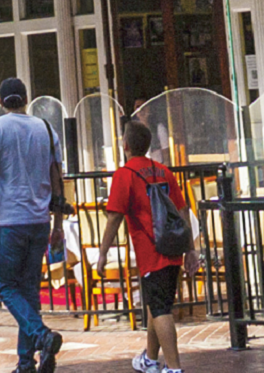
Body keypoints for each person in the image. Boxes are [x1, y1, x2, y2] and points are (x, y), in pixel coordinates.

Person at [0, 77, 66, 373]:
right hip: (40, 221)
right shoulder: (46, 129)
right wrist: (58, 224)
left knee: (7, 287)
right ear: (26, 99)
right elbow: (57, 180)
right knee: (28, 290)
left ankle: (41, 336)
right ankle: (26, 362)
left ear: (1, 102)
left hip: (11, 221)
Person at [95, 120, 191, 373]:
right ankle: (150, 358)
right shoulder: (163, 171)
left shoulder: (124, 175)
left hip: (151, 251)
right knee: (155, 304)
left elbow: (114, 217)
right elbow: (182, 209)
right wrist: (190, 248)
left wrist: (103, 253)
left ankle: (174, 368)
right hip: (173, 248)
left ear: (125, 145)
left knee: (160, 310)